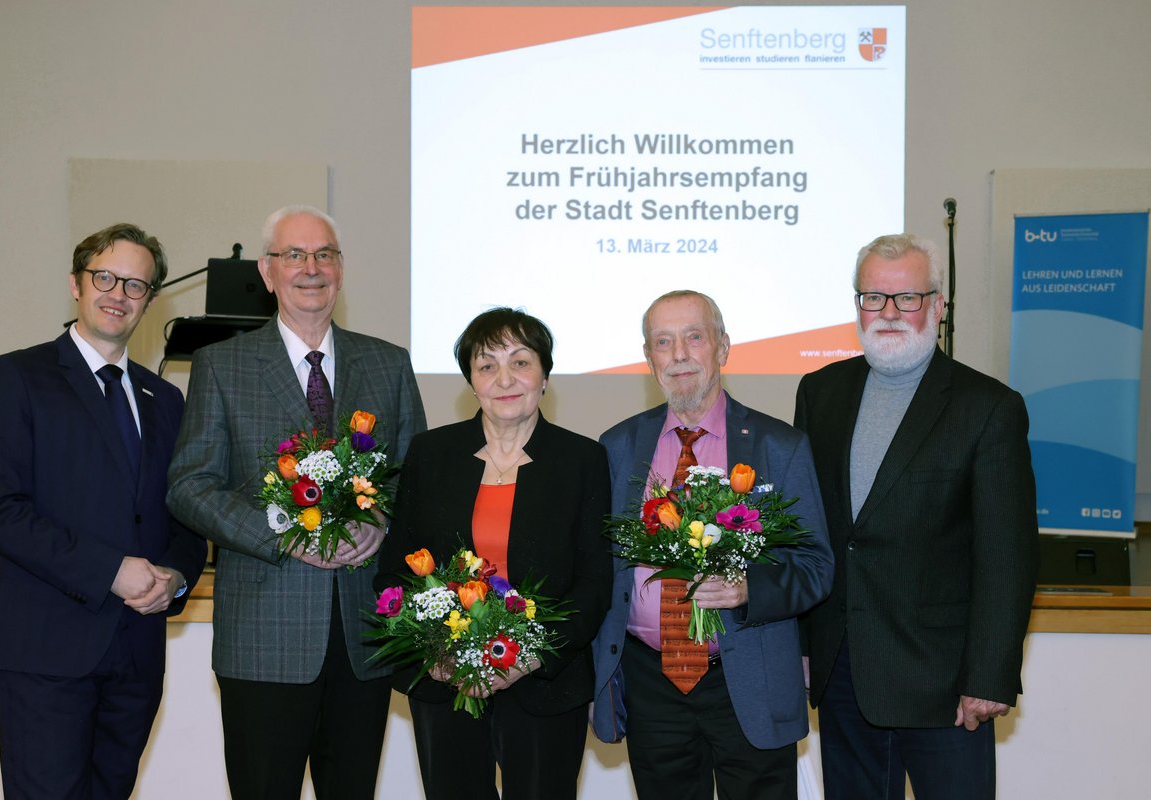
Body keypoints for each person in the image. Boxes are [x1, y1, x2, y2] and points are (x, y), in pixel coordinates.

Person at [166, 205, 426, 799]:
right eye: (295, 255)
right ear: (266, 271)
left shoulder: (388, 364)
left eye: (325, 255)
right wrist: (280, 530)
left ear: (341, 269)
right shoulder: (221, 365)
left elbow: (414, 476)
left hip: (365, 635)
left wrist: (381, 522)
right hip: (264, 637)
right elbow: (189, 485)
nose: (311, 268)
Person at [0, 223, 208, 799]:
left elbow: (184, 519)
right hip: (42, 650)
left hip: (136, 652)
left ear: (150, 301)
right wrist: (110, 570)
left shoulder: (166, 399)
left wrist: (174, 577)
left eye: (136, 285)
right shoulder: (15, 377)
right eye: (105, 277)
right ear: (76, 283)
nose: (118, 293)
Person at [794, 233, 1039, 799]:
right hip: (844, 673)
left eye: (906, 298)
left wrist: (989, 676)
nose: (889, 313)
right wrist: (804, 647)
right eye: (874, 298)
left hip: (946, 684)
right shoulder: (821, 393)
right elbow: (810, 534)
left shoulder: (989, 408)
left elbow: (1008, 557)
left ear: (937, 305)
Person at [592, 290, 834, 799]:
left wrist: (750, 589)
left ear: (722, 347)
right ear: (648, 358)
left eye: (693, 337)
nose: (679, 354)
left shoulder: (778, 446)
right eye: (663, 341)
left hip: (747, 674)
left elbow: (816, 566)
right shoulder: (617, 447)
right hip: (650, 681)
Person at [374, 307, 612, 800]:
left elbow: (593, 584)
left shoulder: (582, 459)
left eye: (520, 362)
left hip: (545, 685)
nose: (505, 379)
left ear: (544, 375)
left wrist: (526, 659)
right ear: (471, 381)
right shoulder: (430, 453)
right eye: (486, 365)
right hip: (445, 683)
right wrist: (436, 652)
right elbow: (395, 571)